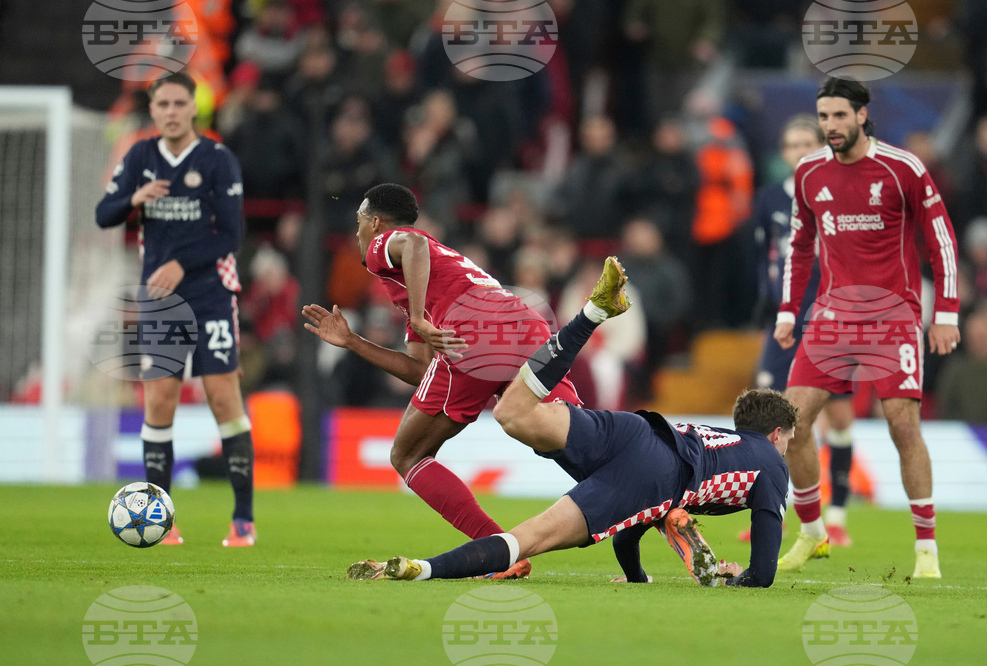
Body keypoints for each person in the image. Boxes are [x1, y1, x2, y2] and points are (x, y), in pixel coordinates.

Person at [346, 258, 797, 588]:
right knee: (527, 539)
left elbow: (628, 527)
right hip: (657, 479)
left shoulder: (726, 440)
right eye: (789, 442)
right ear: (776, 435)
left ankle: (590, 316)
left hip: (639, 432)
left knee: (512, 413)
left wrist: (637, 578)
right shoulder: (772, 467)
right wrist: (740, 578)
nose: (788, 452)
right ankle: (420, 568)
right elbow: (764, 574)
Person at [301, 183, 580, 579]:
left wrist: (418, 317)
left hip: (473, 330)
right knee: (579, 440)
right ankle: (656, 509)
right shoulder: (433, 274)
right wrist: (352, 342)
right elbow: (418, 370)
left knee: (407, 456)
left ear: (375, 222)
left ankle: (500, 550)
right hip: (522, 326)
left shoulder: (389, 246)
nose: (357, 232)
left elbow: (411, 246)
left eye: (359, 222)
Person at [775, 78, 961, 578]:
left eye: (839, 116)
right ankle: (814, 533)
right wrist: (788, 311)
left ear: (861, 115)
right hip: (833, 316)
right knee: (789, 422)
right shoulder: (809, 172)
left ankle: (926, 548)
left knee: (903, 424)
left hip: (893, 314)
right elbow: (799, 245)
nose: (830, 126)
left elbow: (940, 241)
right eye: (824, 117)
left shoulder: (903, 168)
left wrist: (945, 312)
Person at [95, 72, 256, 547]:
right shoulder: (140, 156)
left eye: (177, 103)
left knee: (223, 398)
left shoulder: (217, 160)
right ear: (153, 108)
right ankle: (161, 519)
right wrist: (133, 199)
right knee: (159, 400)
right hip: (161, 302)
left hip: (210, 294)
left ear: (193, 108)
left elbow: (231, 236)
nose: (169, 111)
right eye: (161, 103)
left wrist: (181, 264)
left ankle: (243, 518)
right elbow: (104, 214)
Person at [750, 114, 856, 548]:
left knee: (838, 419)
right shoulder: (769, 198)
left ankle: (838, 516)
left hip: (828, 320)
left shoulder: (836, 196)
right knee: (770, 419)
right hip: (785, 321)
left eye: (805, 144)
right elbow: (764, 257)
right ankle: (774, 514)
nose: (797, 152)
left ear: (820, 149)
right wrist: (767, 303)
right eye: (790, 145)